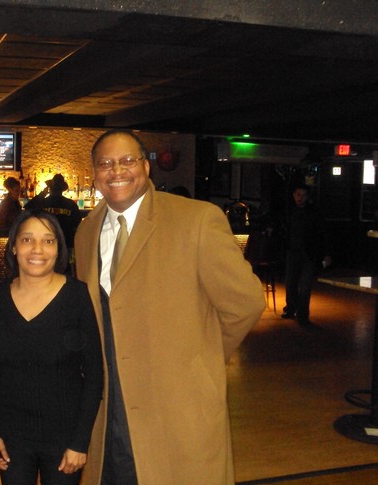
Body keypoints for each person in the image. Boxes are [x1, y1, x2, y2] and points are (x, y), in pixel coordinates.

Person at [74, 129, 266, 485]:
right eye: (105, 163)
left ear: (146, 167)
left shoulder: (196, 219)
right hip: (111, 409)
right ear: (95, 174)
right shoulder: (86, 232)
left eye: (127, 160)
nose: (117, 171)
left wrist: (198, 360)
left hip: (176, 407)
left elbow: (246, 303)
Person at [0, 210, 103, 485]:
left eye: (48, 241)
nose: (38, 249)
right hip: (12, 437)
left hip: (64, 437)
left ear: (59, 249)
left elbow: (94, 375)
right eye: (27, 240)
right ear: (14, 246)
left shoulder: (77, 295)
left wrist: (79, 442)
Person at [281, 182, 331, 326]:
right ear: (294, 195)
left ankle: (302, 315)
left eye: (303, 195)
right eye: (298, 195)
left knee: (305, 286)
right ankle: (291, 309)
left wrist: (325, 253)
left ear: (307, 197)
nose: (300, 198)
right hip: (292, 251)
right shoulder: (289, 211)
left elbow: (322, 233)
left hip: (308, 253)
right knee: (291, 283)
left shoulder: (313, 213)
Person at [25, 174, 82, 249]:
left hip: (46, 243)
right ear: (62, 190)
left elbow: (27, 208)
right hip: (66, 244)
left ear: (50, 188)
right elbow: (77, 224)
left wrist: (42, 194)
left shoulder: (42, 203)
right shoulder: (70, 204)